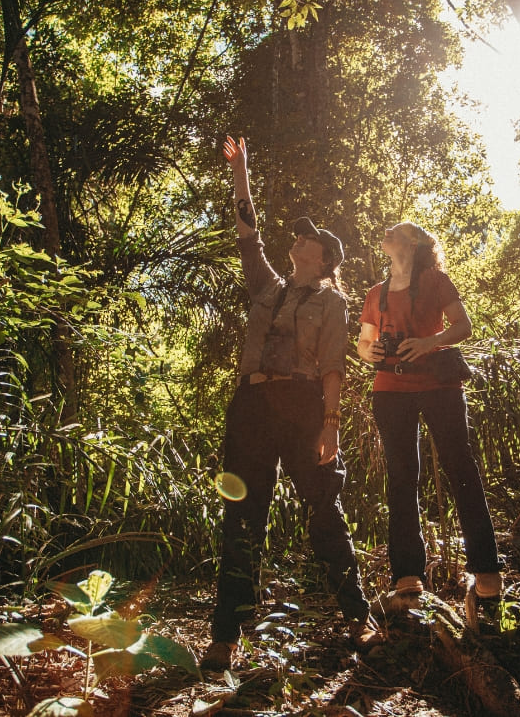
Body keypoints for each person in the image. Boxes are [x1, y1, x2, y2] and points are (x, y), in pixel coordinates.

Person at [200, 136, 383, 672]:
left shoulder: (333, 301)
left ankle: (358, 616)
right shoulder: (266, 285)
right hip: (252, 405)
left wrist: (330, 426)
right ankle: (226, 634)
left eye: (310, 239)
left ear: (325, 259)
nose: (299, 239)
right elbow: (247, 230)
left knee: (325, 509)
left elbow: (333, 367)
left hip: (305, 407)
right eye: (300, 235)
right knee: (242, 514)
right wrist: (241, 174)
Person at [357, 221, 502, 603]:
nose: (387, 231)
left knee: (461, 468)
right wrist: (368, 351)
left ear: (414, 243)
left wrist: (428, 343)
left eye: (397, 230)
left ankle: (487, 571)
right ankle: (407, 576)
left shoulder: (436, 281)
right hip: (389, 390)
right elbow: (363, 341)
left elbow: (463, 326)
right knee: (402, 479)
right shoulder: (376, 293)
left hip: (440, 386)